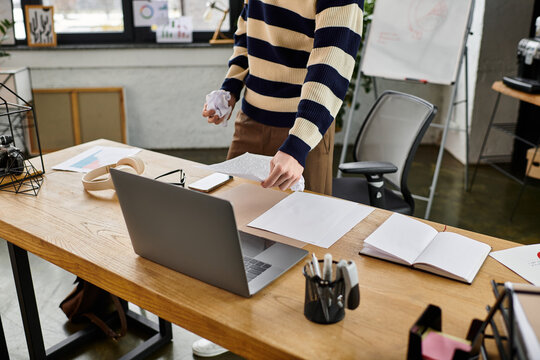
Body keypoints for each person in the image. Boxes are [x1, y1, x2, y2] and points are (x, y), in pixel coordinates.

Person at [195, 0, 364, 356]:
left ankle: (291, 342)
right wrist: (230, 89)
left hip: (304, 128)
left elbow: (332, 60)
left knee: (301, 245)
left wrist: (299, 143)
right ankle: (230, 327)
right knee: (229, 230)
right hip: (251, 118)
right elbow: (247, 33)